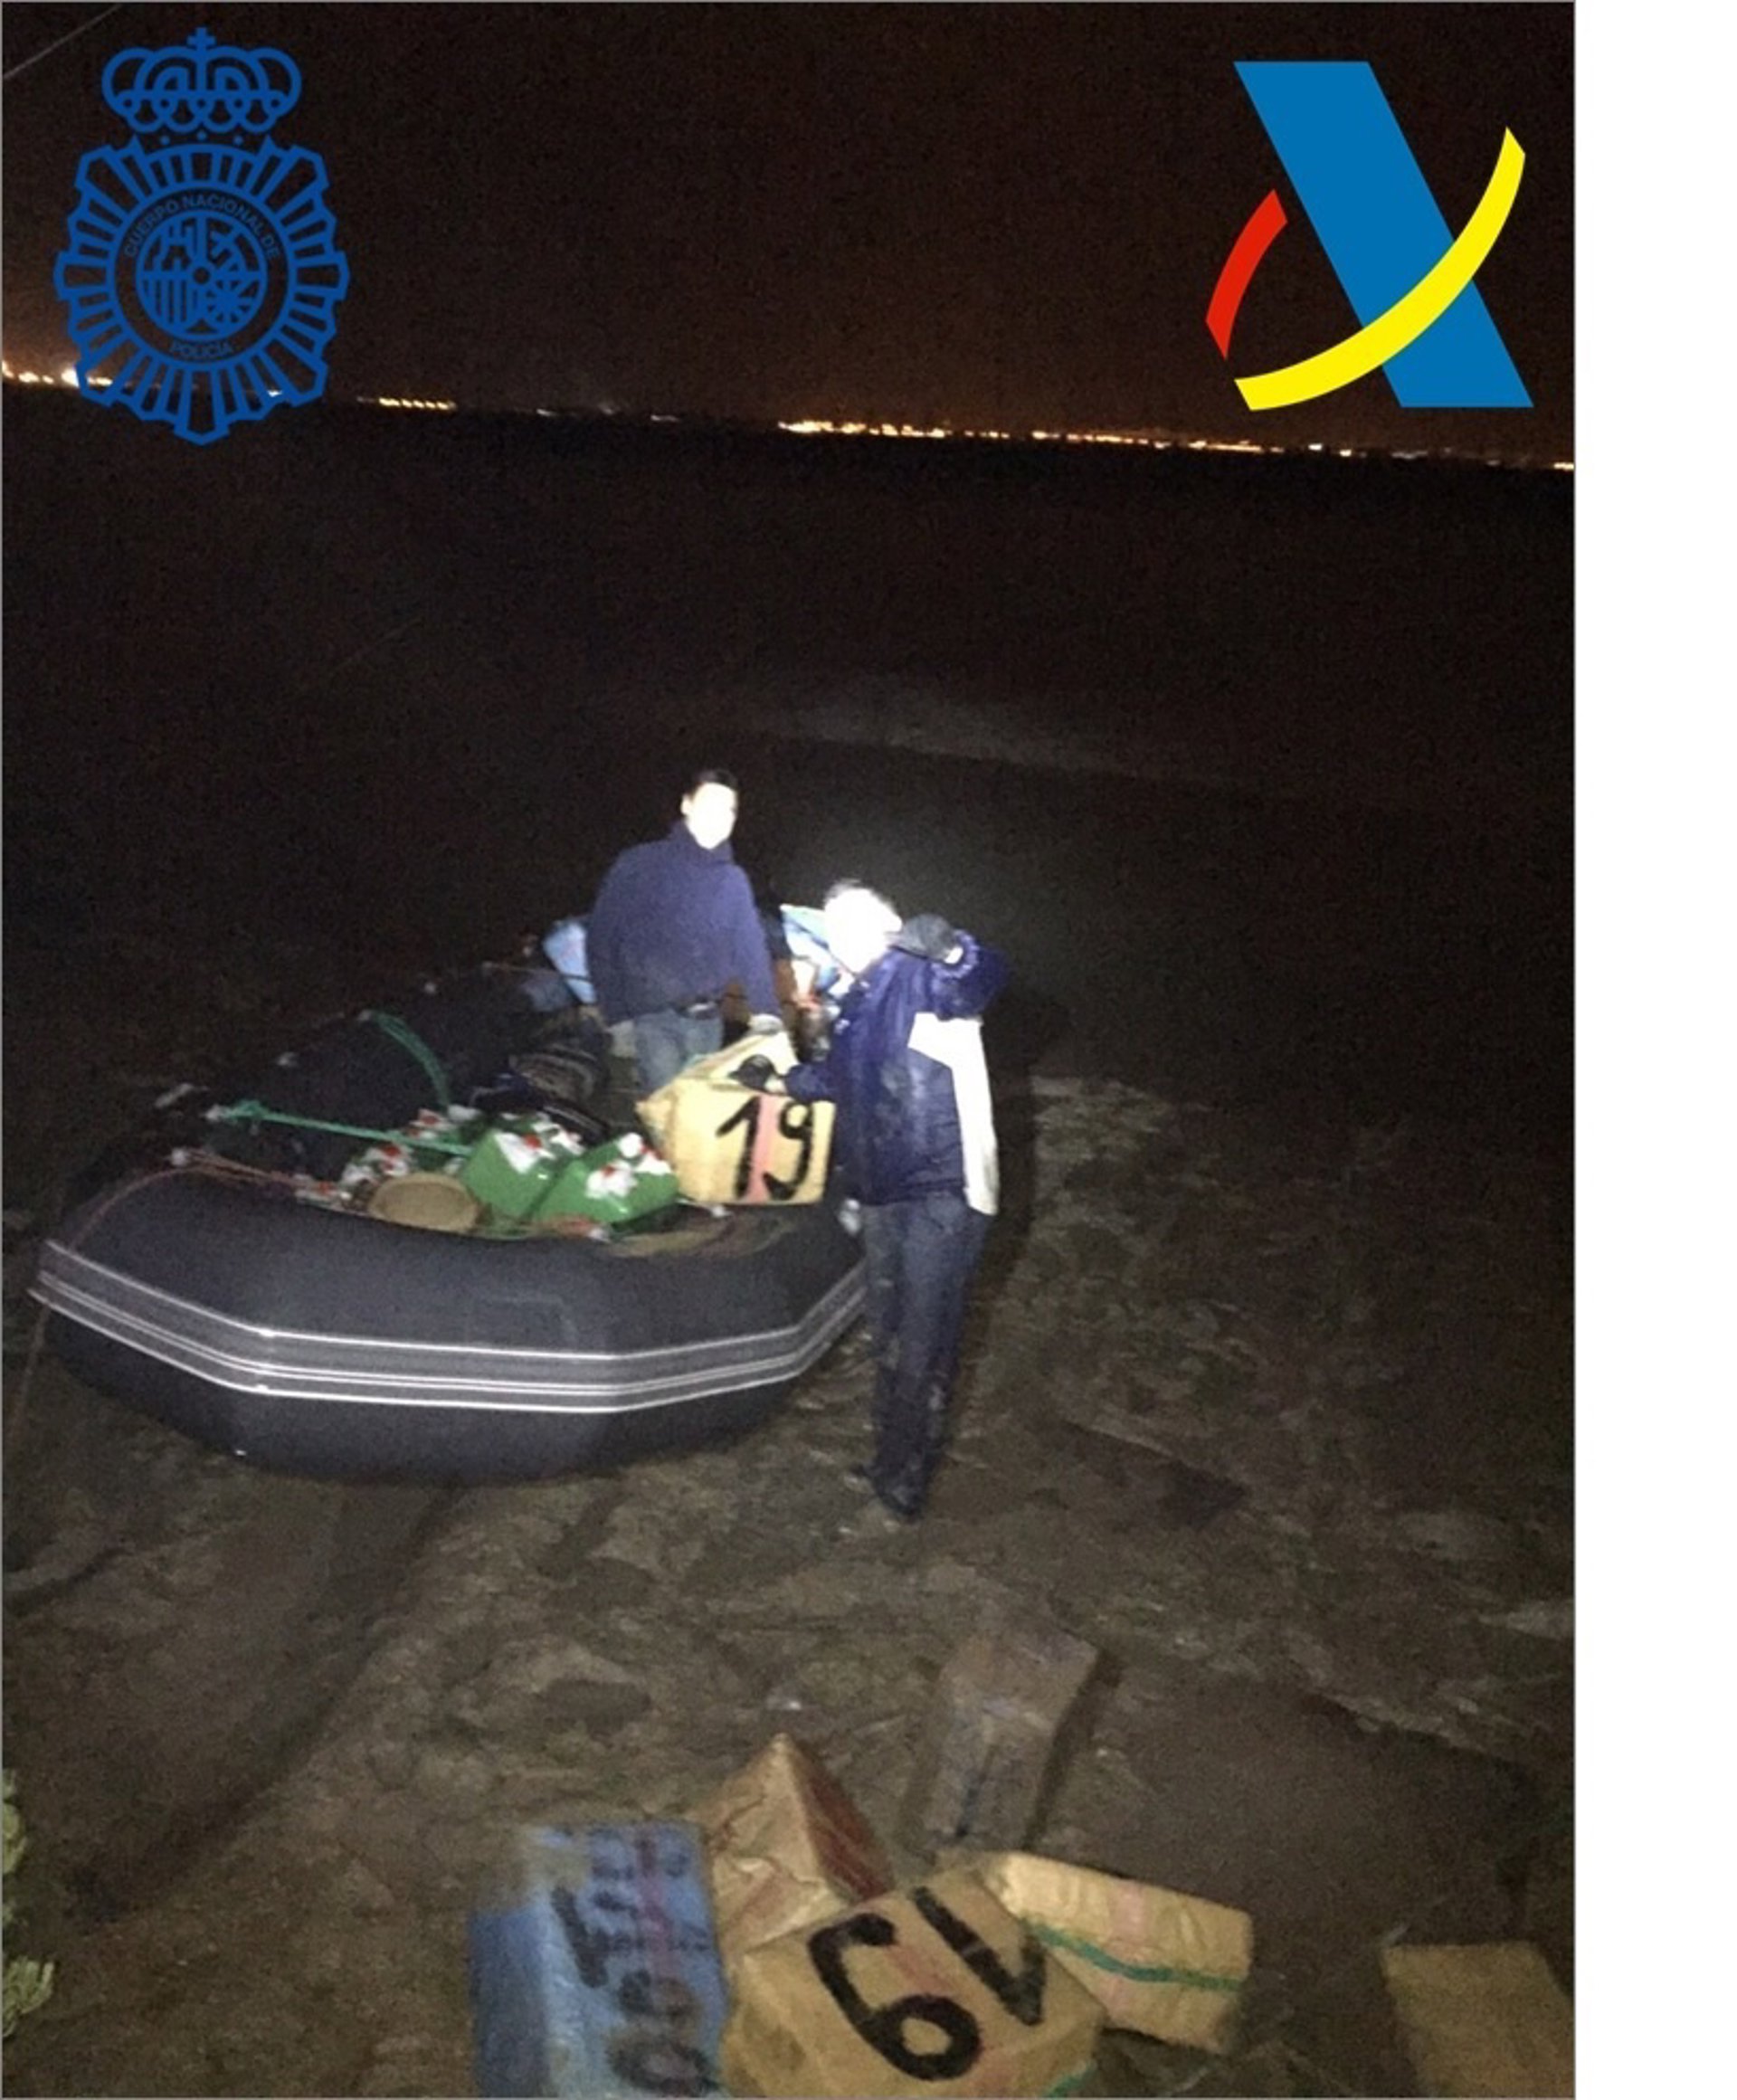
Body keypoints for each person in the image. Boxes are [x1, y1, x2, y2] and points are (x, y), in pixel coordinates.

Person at [734, 880, 1006, 1523]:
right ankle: (888, 1455)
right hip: (882, 1193)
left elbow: (980, 977)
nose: (843, 937)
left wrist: (953, 948)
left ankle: (906, 1479)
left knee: (923, 1343)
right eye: (834, 926)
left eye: (857, 921)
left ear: (892, 923)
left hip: (942, 1193)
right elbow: (837, 1078)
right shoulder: (855, 1004)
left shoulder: (919, 975)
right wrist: (778, 1081)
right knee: (887, 1330)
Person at [585, 768, 783, 1095]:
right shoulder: (638, 864)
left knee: (699, 1113)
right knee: (666, 1110)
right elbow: (602, 938)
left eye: (728, 810)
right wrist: (615, 1014)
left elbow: (750, 948)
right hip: (653, 1018)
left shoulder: (733, 881)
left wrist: (767, 1013)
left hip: (708, 1021)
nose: (719, 817)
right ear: (686, 805)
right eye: (709, 805)